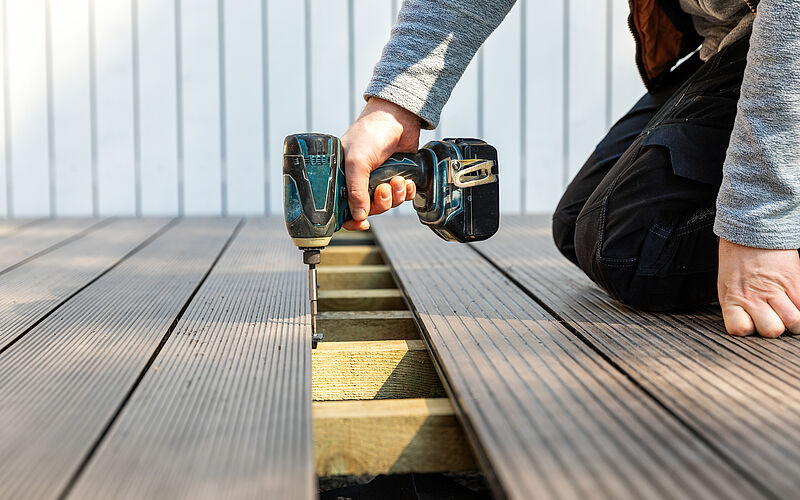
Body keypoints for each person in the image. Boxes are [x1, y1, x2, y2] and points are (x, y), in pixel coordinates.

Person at [339, 0, 800, 338]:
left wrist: (759, 226)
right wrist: (392, 108)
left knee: (632, 248)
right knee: (579, 225)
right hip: (738, 44)